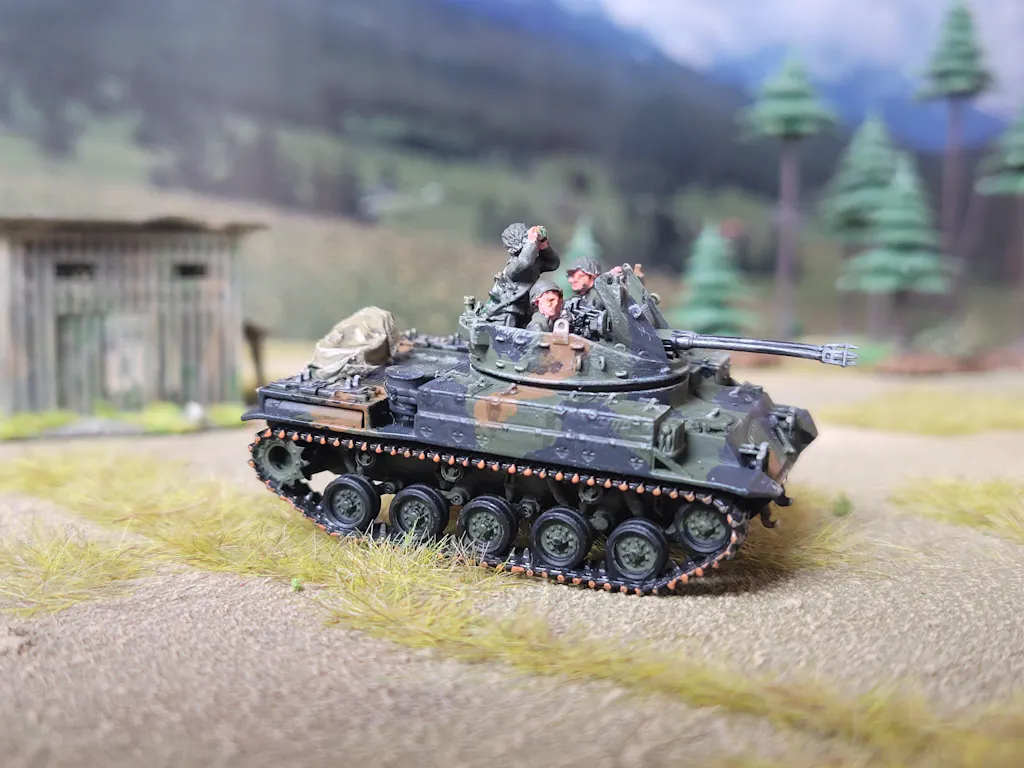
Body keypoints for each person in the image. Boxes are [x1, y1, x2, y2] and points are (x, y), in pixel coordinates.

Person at [482, 223, 561, 326]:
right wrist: (531, 242)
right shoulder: (513, 267)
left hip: (524, 308)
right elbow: (524, 263)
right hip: (506, 310)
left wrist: (544, 246)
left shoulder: (534, 263)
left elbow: (553, 264)